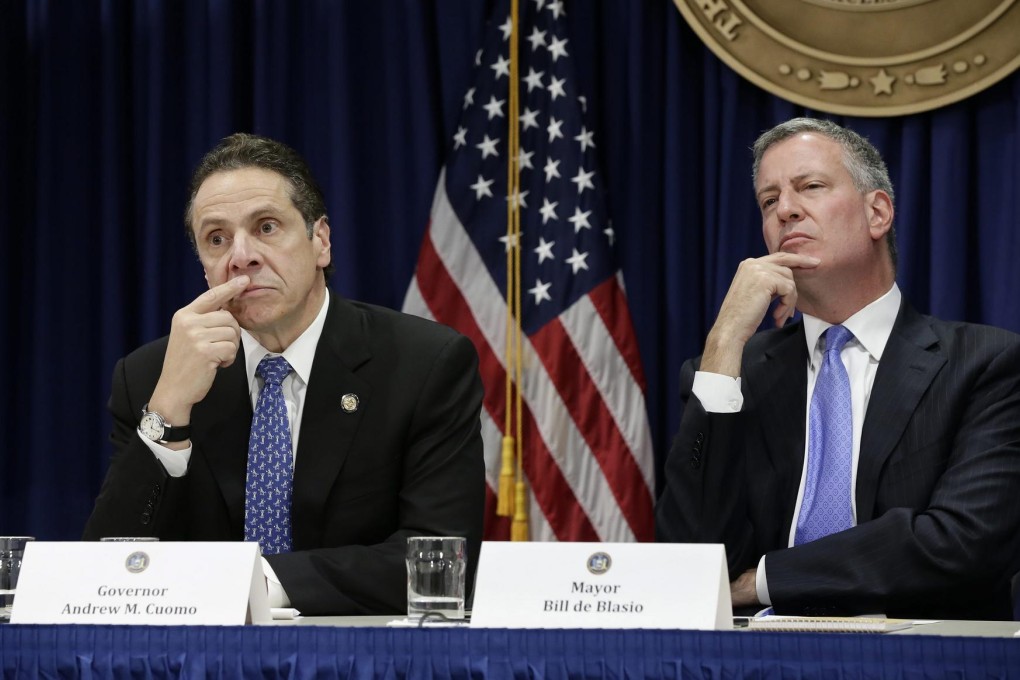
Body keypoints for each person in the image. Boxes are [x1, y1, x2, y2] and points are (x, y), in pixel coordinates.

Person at [84, 133, 486, 616]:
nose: (242, 255)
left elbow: (437, 560)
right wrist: (167, 411)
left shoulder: (424, 363)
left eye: (267, 227)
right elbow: (108, 568)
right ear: (204, 267)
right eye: (217, 239)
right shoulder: (151, 375)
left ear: (321, 241)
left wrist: (257, 581)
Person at [655, 117, 1020, 620]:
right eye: (769, 200)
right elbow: (690, 558)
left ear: (877, 213)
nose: (785, 209)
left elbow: (962, 543)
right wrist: (724, 343)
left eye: (810, 187)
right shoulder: (734, 375)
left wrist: (763, 582)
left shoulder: (986, 364)